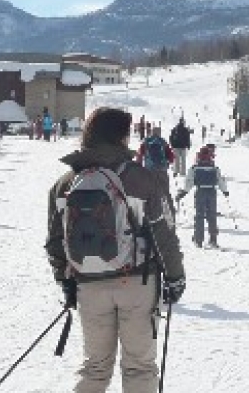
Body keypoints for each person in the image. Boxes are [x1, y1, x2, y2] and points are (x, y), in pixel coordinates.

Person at [45, 107, 186, 393]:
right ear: (121, 136)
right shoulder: (143, 179)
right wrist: (175, 276)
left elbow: (55, 241)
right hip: (137, 281)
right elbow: (164, 232)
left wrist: (65, 280)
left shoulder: (64, 184)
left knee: (95, 367)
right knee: (139, 367)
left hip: (89, 285)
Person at [175, 146, 229, 248]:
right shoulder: (214, 168)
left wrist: (184, 192)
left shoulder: (195, 168)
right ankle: (213, 239)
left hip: (200, 191)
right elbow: (220, 181)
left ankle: (198, 239)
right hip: (212, 192)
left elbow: (189, 182)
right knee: (212, 216)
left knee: (199, 215)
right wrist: (225, 191)